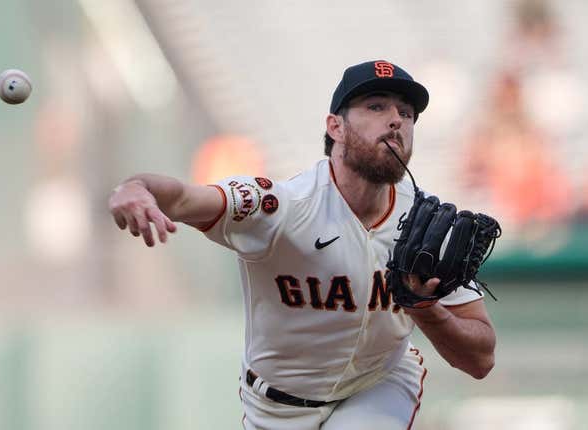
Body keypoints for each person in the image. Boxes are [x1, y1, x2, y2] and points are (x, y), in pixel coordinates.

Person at [108, 60, 496, 430]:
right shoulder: (283, 207)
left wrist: (426, 309)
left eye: (406, 113)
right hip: (277, 406)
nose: (396, 119)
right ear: (335, 127)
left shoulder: (428, 227)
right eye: (375, 106)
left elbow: (480, 358)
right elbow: (182, 198)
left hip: (378, 383)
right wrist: (136, 187)